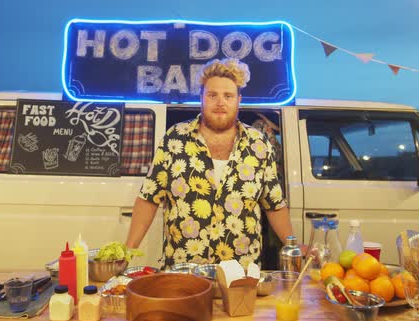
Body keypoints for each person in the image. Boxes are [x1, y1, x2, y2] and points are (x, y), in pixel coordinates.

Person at [125, 58, 295, 269]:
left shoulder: (258, 144)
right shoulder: (174, 139)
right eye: (212, 95)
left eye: (228, 96)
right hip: (184, 274)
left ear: (238, 100)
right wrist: (126, 254)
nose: (220, 102)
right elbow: (148, 199)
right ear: (201, 98)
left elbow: (275, 205)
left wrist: (293, 246)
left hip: (240, 275)